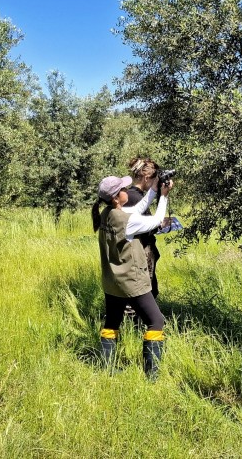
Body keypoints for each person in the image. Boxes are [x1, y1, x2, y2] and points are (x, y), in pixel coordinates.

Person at [92, 174, 172, 380]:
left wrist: (154, 189)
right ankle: (152, 377)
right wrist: (164, 196)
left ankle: (107, 369)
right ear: (116, 198)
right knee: (155, 322)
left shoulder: (106, 213)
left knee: (112, 323)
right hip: (132, 281)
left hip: (112, 282)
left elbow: (135, 210)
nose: (127, 191)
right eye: (123, 189)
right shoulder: (127, 222)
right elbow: (155, 221)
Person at [124, 157, 162, 299]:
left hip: (138, 250)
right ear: (146, 178)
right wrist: (159, 224)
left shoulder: (130, 195)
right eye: (154, 180)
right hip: (141, 250)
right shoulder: (136, 198)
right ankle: (140, 320)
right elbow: (144, 226)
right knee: (144, 291)